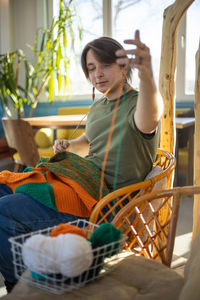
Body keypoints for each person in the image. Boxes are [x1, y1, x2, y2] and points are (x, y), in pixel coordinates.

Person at [0, 30, 163, 292]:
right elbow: (88, 142)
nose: (97, 74)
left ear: (124, 67)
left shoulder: (137, 103)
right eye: (91, 68)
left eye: (105, 65)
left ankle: (21, 289)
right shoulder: (98, 107)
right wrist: (69, 145)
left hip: (99, 201)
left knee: (3, 212)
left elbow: (151, 117)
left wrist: (147, 75)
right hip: (77, 180)